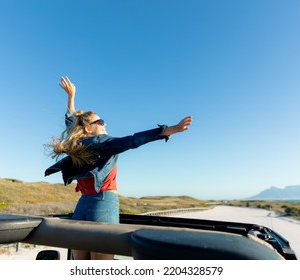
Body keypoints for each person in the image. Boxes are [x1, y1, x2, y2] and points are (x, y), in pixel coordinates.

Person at [45, 76, 192, 260]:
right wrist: (170, 130)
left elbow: (71, 123)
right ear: (88, 129)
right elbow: (133, 140)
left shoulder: (77, 144)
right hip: (103, 204)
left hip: (82, 206)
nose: (104, 124)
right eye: (100, 122)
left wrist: (71, 97)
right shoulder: (102, 142)